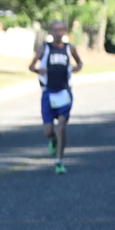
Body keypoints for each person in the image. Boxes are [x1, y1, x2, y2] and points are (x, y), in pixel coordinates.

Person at [28, 20, 83, 174]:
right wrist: (38, 70)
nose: (58, 33)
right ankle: (53, 140)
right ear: (51, 32)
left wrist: (76, 68)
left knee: (62, 127)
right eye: (55, 30)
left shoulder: (69, 48)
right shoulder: (44, 49)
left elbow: (80, 63)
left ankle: (59, 161)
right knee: (48, 131)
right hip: (48, 92)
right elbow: (31, 66)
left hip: (64, 92)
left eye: (61, 30)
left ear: (65, 31)